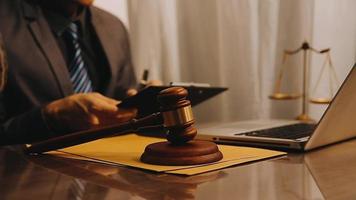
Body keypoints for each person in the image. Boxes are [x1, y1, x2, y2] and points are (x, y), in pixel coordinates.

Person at [0, 0, 141, 145]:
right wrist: (51, 116)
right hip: (28, 165)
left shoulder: (113, 26)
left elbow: (125, 97)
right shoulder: (4, 23)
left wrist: (147, 102)